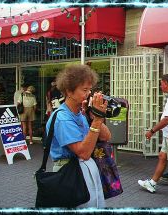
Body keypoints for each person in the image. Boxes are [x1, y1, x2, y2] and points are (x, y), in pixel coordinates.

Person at [46, 64, 111, 208]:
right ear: (69, 91)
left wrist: (94, 114)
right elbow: (84, 152)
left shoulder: (80, 113)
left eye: (90, 89)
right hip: (70, 173)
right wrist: (98, 120)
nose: (89, 94)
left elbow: (106, 137)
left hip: (84, 170)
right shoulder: (62, 118)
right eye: (84, 90)